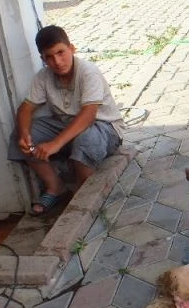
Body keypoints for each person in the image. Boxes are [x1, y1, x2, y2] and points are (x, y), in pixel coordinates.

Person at [9, 25, 125, 215]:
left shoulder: (88, 72)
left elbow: (88, 115)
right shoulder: (43, 76)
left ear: (72, 48)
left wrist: (55, 144)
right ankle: (55, 187)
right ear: (42, 59)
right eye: (49, 57)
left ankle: (82, 195)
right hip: (66, 125)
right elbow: (26, 108)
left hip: (103, 127)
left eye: (61, 52)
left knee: (85, 140)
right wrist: (24, 135)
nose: (57, 61)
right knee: (22, 133)